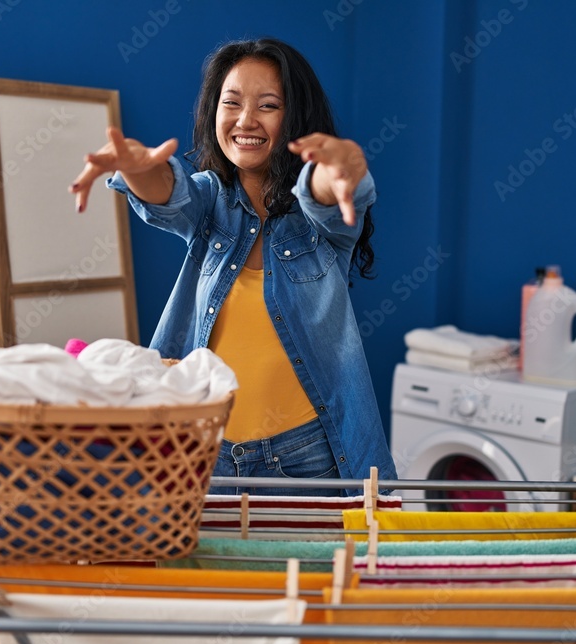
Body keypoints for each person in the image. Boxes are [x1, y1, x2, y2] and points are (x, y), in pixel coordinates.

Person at [69, 37, 396, 496]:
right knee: (204, 569)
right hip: (205, 454)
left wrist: (341, 169)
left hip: (306, 460)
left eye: (268, 105)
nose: (246, 120)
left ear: (296, 118)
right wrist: (138, 167)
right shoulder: (210, 203)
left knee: (307, 572)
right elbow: (170, 192)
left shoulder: (321, 229)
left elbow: (323, 192)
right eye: (232, 103)